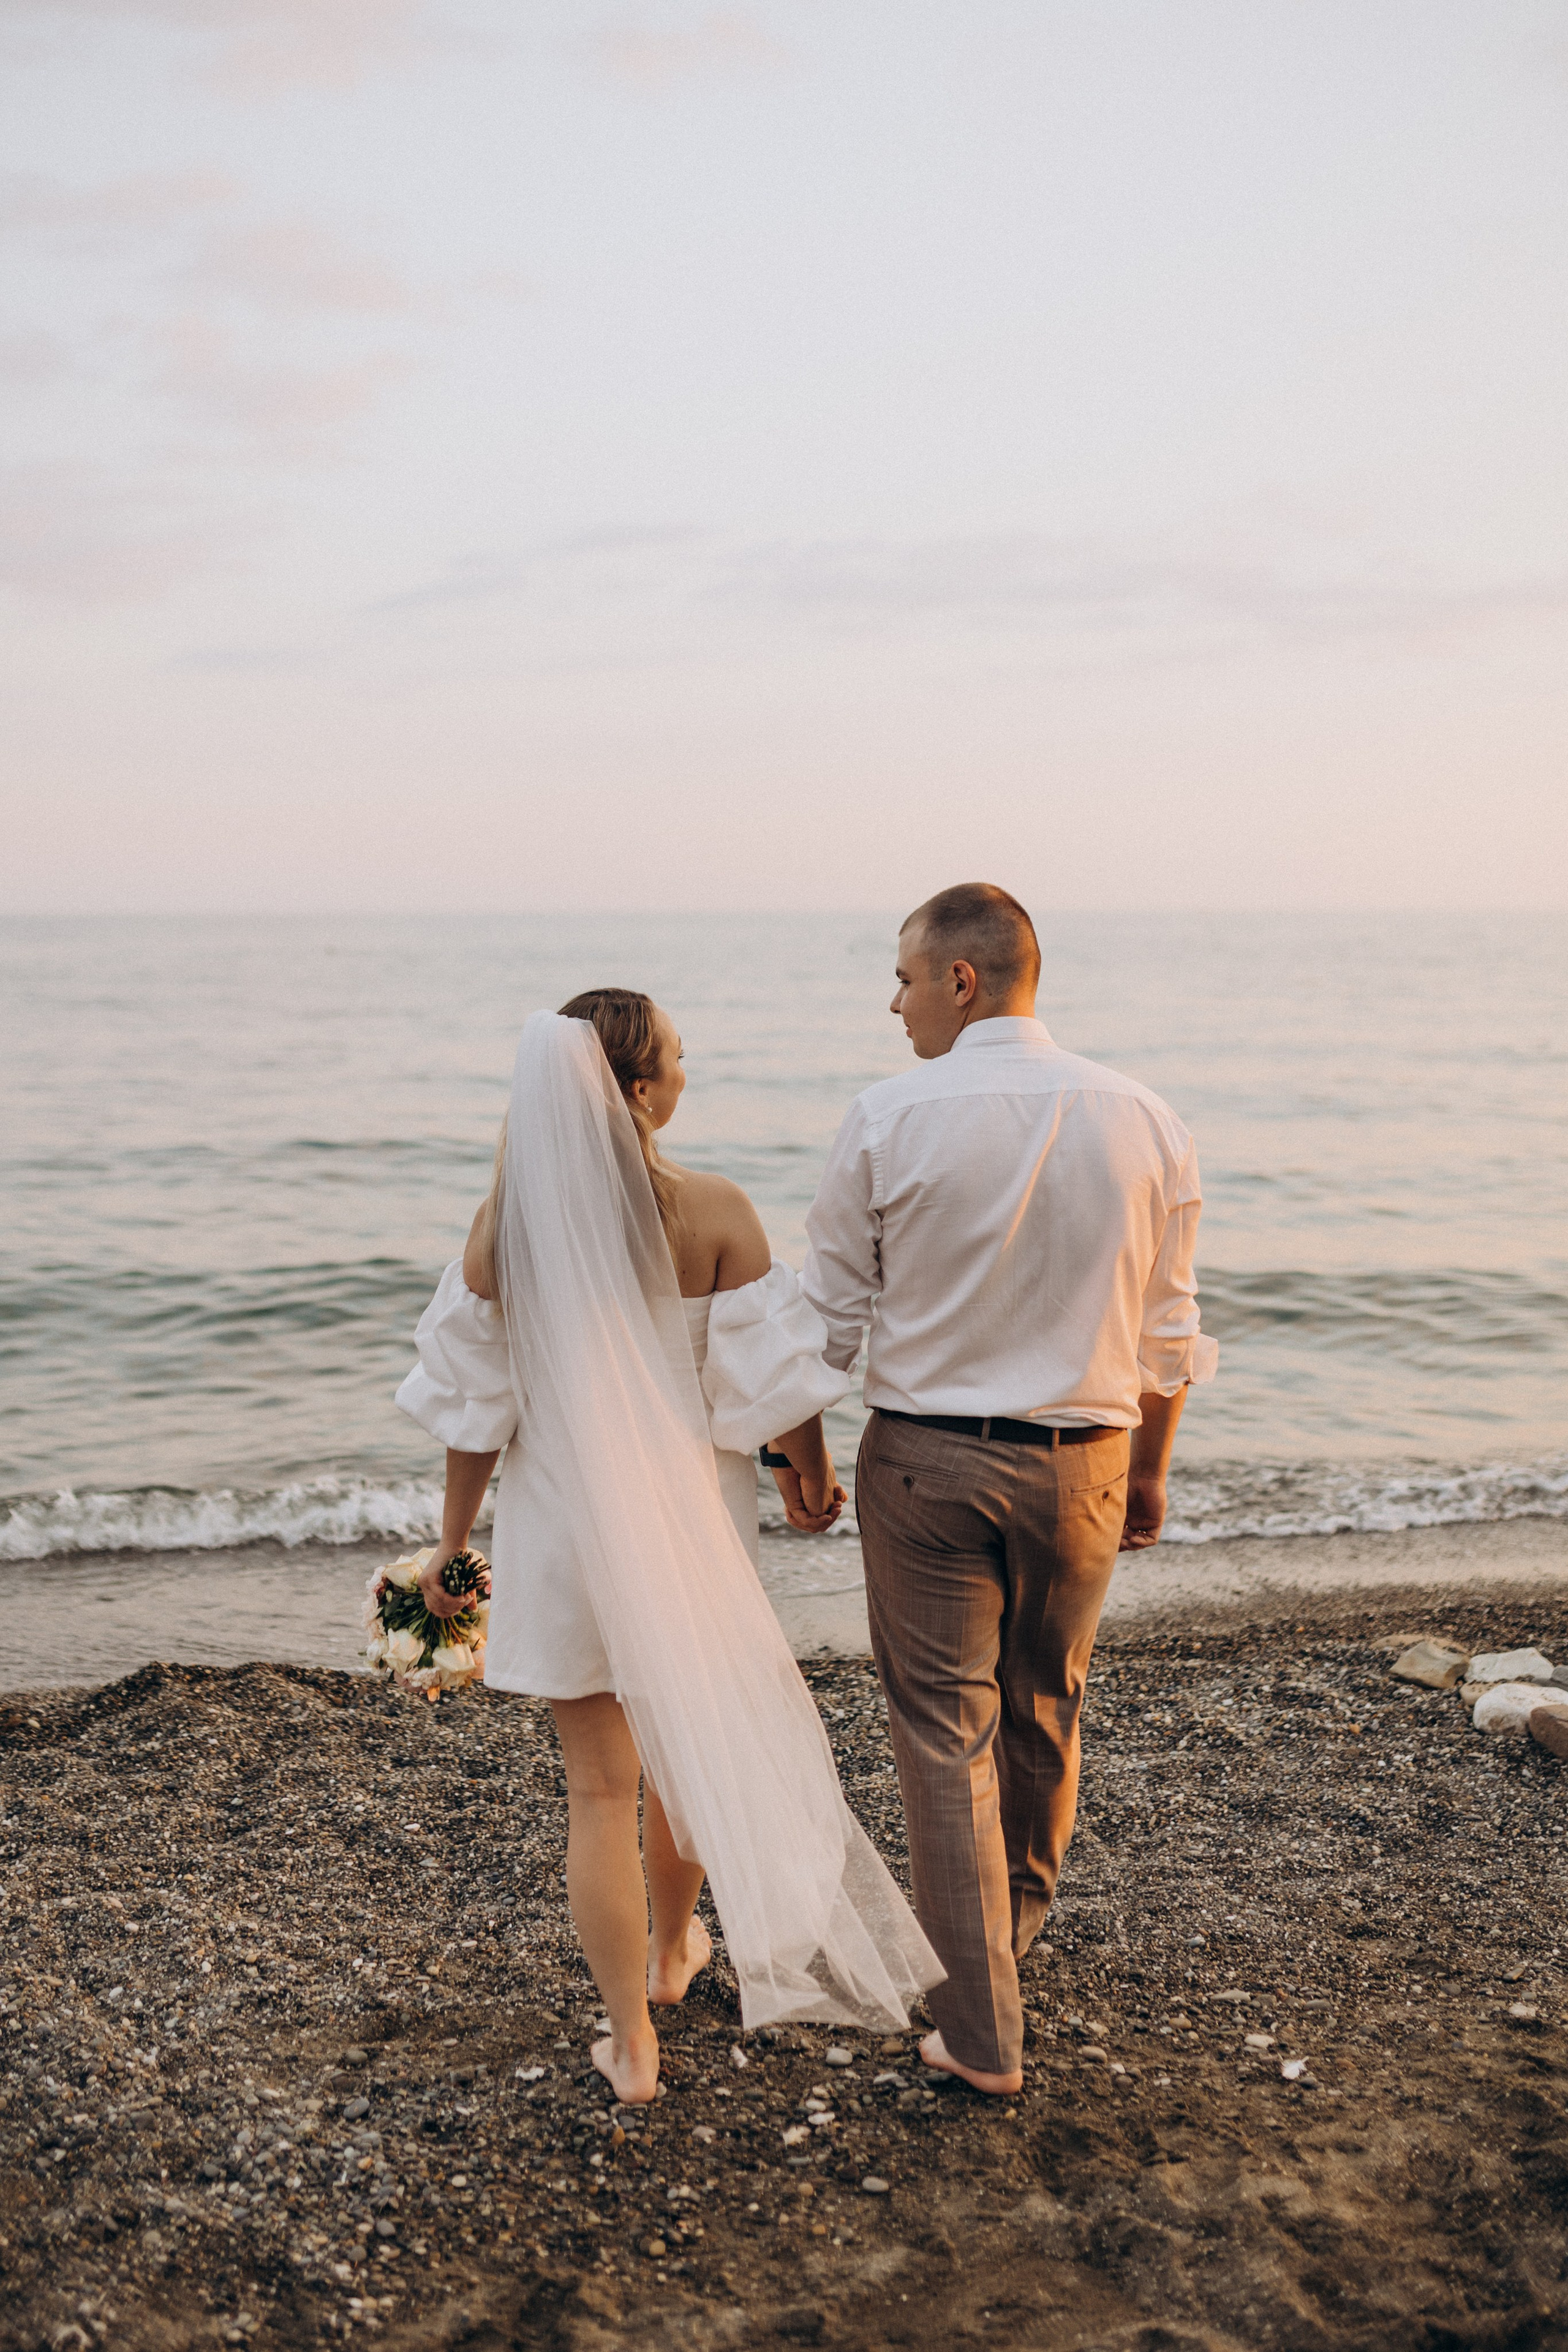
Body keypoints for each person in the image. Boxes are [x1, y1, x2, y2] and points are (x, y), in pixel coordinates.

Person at [396, 989, 942, 2103]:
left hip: (560, 1540)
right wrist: (814, 1475)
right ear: (638, 1092)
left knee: (598, 1793)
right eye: (680, 1060)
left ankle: (631, 2046)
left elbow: (472, 1413)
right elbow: (772, 1383)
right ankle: (671, 1953)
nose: (689, 1074)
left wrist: (453, 1552)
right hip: (687, 1536)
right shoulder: (718, 1212)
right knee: (686, 1755)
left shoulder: (507, 1230)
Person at [803, 885, 1217, 2097]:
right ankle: (1008, 1932)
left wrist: (792, 1453)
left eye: (903, 979)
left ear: (962, 981)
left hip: (927, 1465)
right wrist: (1145, 1473)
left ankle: (979, 2032)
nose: (893, 1003)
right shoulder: (1142, 1115)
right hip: (1084, 1461)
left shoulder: (883, 1117)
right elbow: (1169, 1328)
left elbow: (824, 1327)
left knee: (943, 1736)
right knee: (1046, 1706)